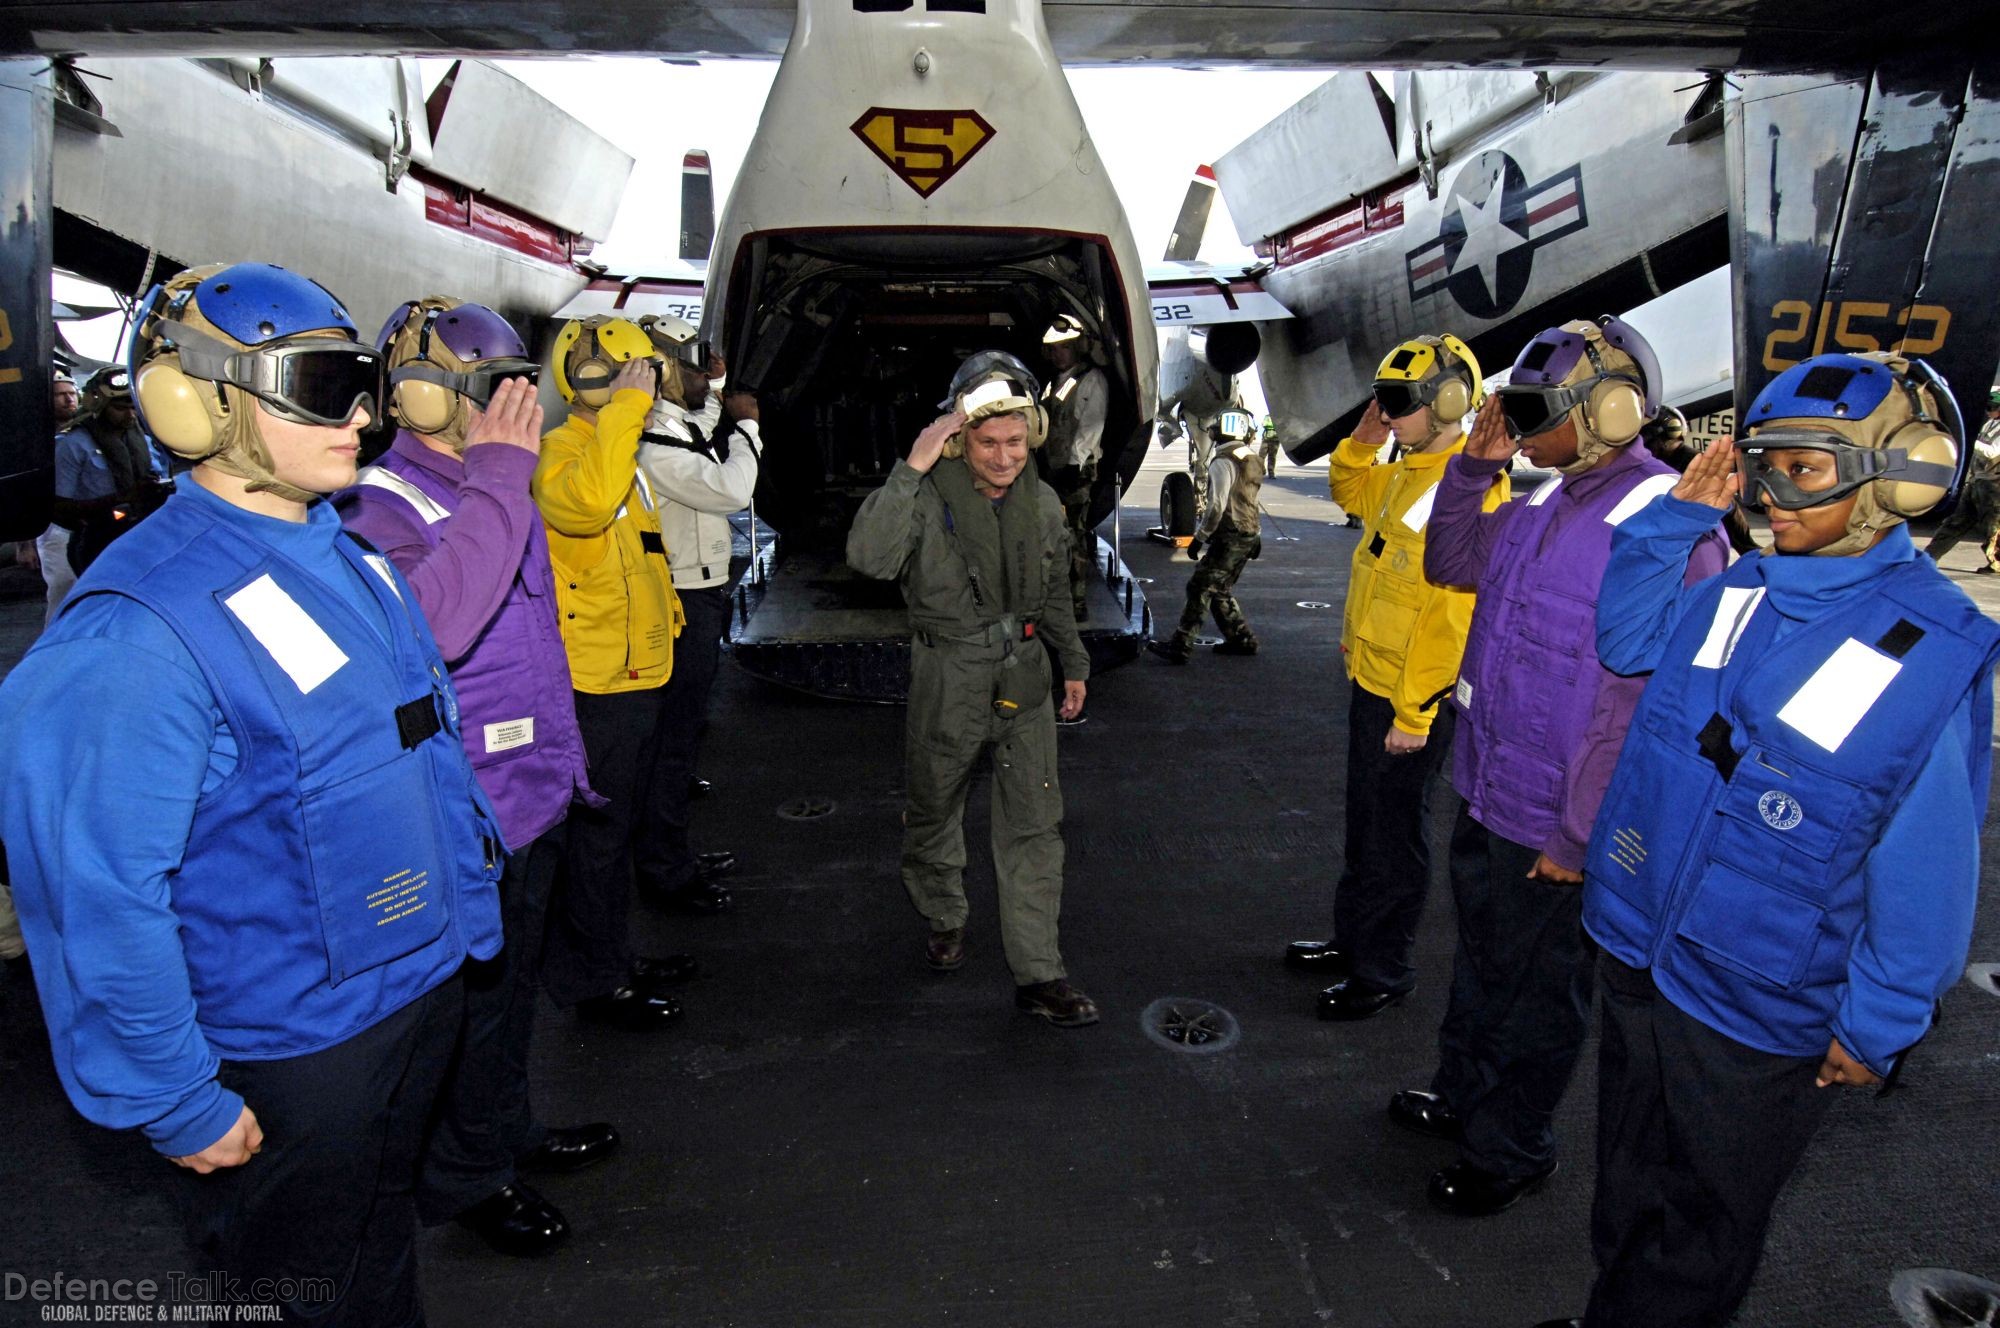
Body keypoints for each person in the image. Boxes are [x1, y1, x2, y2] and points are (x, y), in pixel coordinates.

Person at [0, 261, 504, 1324]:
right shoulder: (136, 626)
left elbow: (421, 747)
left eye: (362, 380)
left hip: (412, 990)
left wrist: (469, 917)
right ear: (201, 400)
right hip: (296, 1044)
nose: (362, 413)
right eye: (321, 384)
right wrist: (175, 1094)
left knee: (373, 1255)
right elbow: (94, 891)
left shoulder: (346, 551)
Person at [1529, 352, 1998, 1328]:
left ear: (1900, 478)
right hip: (1641, 958)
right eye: (1762, 462)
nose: (1771, 491)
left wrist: (1876, 1019)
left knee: (1698, 1229)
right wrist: (1672, 518)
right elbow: (1624, 639)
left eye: (1806, 468)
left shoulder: (1928, 647)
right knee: (1625, 1188)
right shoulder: (1736, 587)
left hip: (1753, 1004)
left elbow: (1927, 867)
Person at [1400, 316, 1729, 1217]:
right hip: (1488, 790)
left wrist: (1582, 833)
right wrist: (1474, 468)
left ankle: (1512, 1148)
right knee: (1482, 963)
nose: (1518, 422)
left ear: (1610, 412)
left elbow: (1656, 703)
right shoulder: (1545, 499)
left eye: (1532, 409)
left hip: (1560, 817)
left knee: (1541, 994)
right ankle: (1464, 1096)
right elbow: (1452, 559)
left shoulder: (1673, 523)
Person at [336, 296, 613, 1259]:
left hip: (528, 793)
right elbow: (432, 630)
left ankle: (507, 1132)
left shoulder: (496, 481)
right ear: (424, 397)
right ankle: (468, 1178)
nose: (510, 407)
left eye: (511, 388)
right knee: (470, 1008)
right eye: (490, 390)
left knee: (510, 991)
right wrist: (500, 479)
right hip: (469, 811)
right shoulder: (384, 504)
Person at [847, 350, 1098, 1027]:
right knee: (933, 811)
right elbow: (869, 558)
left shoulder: (1041, 503)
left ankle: (1040, 972)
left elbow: (1052, 593)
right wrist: (912, 467)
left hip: (1024, 674)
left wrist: (1072, 663)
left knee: (1035, 825)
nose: (1003, 456)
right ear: (958, 439)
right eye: (987, 441)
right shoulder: (925, 498)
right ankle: (943, 913)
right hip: (948, 673)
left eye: (1016, 441)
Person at [1286, 335, 1509, 1020]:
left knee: (1395, 834)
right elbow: (1349, 487)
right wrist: (1365, 433)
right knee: (1365, 824)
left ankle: (1383, 970)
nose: (1388, 413)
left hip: (1412, 700)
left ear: (1447, 402)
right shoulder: (1409, 470)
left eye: (1399, 402)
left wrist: (1416, 716)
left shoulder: (1466, 489)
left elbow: (1451, 618)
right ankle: (1353, 942)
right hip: (1375, 681)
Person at [533, 314, 690, 1031]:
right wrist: (626, 410)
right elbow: (592, 510)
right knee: (595, 840)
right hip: (595, 680)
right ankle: (594, 982)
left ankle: (616, 956)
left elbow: (644, 549)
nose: (647, 388)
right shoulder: (563, 454)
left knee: (617, 829)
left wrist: (672, 625)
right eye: (636, 376)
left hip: (639, 669)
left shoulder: (613, 448)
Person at [631, 313, 761, 916]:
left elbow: (695, 422)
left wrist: (718, 389)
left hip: (694, 592)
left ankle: (671, 851)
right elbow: (732, 490)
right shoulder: (652, 439)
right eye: (690, 366)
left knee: (680, 737)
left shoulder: (668, 424)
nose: (701, 377)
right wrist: (749, 432)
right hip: (680, 601)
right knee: (673, 741)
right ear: (661, 373)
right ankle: (665, 870)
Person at [1147, 406, 1266, 662]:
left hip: (1230, 535)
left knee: (1199, 586)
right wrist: (1257, 534)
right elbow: (1250, 502)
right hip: (1249, 534)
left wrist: (1200, 537)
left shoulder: (1223, 461)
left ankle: (1181, 646)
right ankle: (1241, 639)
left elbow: (1216, 506)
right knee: (1220, 588)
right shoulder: (1251, 458)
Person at [54, 364, 171, 574]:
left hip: (147, 532)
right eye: (119, 408)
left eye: (133, 407)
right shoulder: (71, 445)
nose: (130, 415)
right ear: (98, 404)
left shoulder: (143, 440)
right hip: (99, 540)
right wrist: (122, 498)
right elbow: (60, 508)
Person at [1038, 314, 1108, 622]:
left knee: (1075, 537)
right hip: (1054, 468)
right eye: (1053, 349)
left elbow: (1092, 426)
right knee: (1052, 535)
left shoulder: (1091, 380)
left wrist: (1074, 463)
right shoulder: (1055, 383)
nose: (1056, 354)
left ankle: (1077, 602)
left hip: (1075, 471)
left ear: (1078, 347)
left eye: (1063, 347)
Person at [1921, 385, 2000, 571]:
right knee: (1955, 522)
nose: (1989, 412)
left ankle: (1997, 564)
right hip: (1978, 482)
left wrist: (1972, 441)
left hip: (1995, 486)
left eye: (1992, 408)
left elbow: (1993, 453)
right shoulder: (1990, 424)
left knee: (1994, 528)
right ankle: (1929, 557)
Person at [29, 371, 81, 621]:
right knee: (63, 589)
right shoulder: (33, 437)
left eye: (71, 394)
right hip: (53, 526)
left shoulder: (85, 434)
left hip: (88, 523)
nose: (68, 400)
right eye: (60, 395)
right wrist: (25, 544)